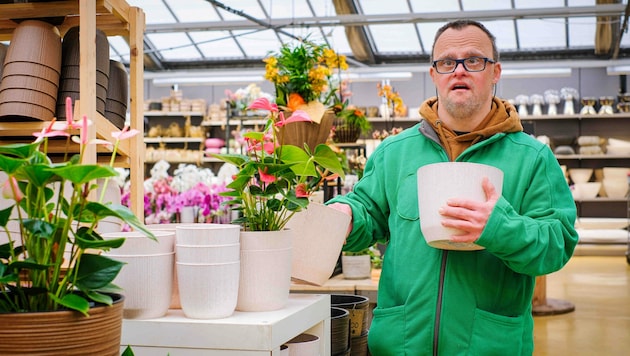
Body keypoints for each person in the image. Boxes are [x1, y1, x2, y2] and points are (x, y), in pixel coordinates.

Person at [326, 19, 578, 355]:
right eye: (447, 62)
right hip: (399, 344)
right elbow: (368, 210)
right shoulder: (395, 152)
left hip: (489, 345)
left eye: (473, 60)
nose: (458, 71)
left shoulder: (532, 158)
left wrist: (500, 228)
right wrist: (346, 215)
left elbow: (557, 243)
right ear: (434, 75)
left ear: (495, 72)